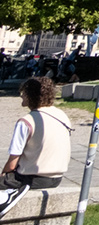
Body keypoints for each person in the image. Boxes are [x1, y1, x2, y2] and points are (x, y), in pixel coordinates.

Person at [1, 77, 71, 214]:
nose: (21, 95)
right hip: (56, 178)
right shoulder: (61, 115)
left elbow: (12, 163)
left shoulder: (27, 121)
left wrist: (3, 175)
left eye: (23, 92)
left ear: (30, 95)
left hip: (32, 178)